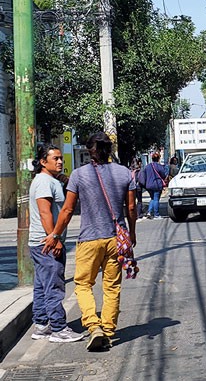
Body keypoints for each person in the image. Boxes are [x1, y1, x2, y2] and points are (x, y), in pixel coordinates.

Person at [43, 132, 136, 351]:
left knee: (83, 284)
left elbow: (67, 209)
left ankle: (94, 327)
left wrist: (55, 235)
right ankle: (108, 329)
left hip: (89, 240)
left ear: (89, 151)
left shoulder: (78, 175)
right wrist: (131, 234)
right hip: (116, 239)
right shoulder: (125, 173)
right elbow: (131, 208)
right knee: (112, 287)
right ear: (109, 149)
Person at [29, 144, 85, 343]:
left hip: (39, 242)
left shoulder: (47, 180)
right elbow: (45, 213)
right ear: (43, 162)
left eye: (61, 158)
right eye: (55, 159)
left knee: (42, 285)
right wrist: (55, 238)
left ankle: (42, 325)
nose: (60, 161)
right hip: (47, 242)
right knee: (54, 286)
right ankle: (59, 329)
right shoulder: (44, 182)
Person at [143, 152, 168, 219]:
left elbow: (144, 175)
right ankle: (156, 214)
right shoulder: (159, 166)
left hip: (148, 185)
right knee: (156, 199)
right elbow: (163, 175)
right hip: (157, 184)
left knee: (152, 198)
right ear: (158, 159)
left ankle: (149, 212)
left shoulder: (147, 166)